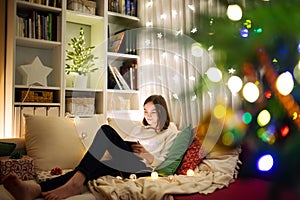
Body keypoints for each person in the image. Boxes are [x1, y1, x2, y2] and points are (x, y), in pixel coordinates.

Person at [2, 94, 179, 200]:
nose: (148, 116)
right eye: (146, 112)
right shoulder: (143, 128)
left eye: (153, 112)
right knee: (97, 164)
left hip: (146, 170)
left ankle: (73, 184)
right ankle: (35, 189)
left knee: (106, 131)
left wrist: (147, 155)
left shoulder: (171, 131)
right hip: (130, 161)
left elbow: (167, 165)